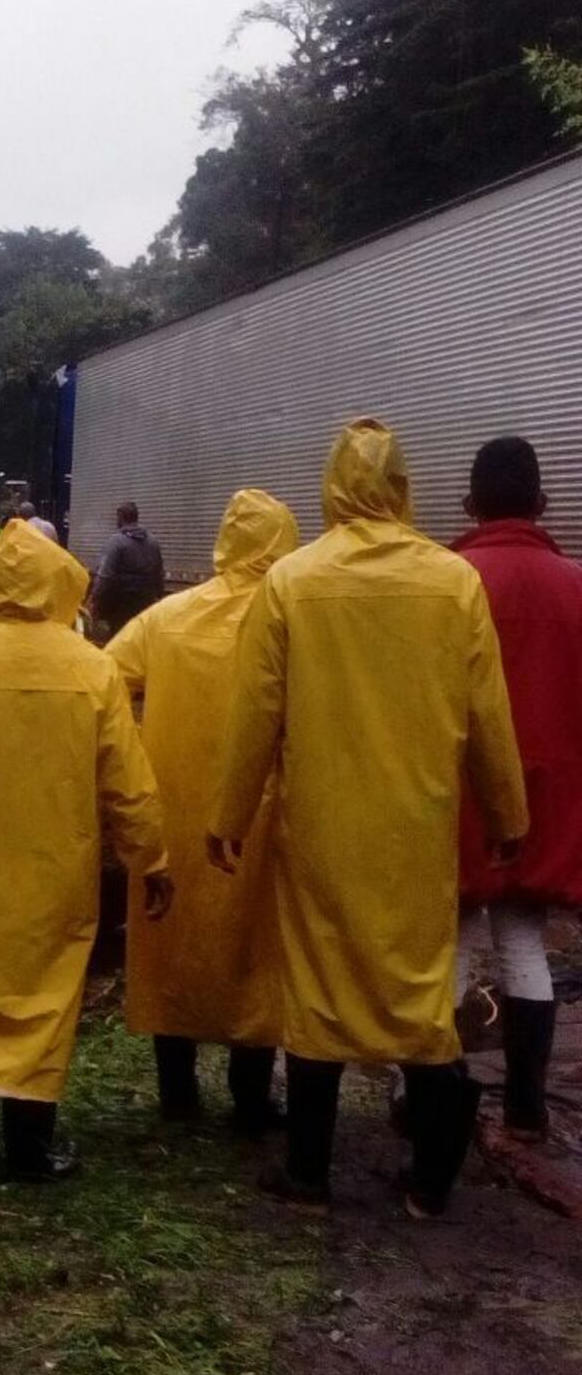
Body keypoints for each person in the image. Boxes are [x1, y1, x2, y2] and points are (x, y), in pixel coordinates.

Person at [208, 419, 528, 1220]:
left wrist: (229, 814)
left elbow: (256, 714)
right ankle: (429, 1181)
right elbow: (488, 714)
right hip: (418, 825)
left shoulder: (291, 581)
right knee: (418, 991)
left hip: (321, 819)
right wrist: (507, 813)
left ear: (332, 487)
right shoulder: (454, 583)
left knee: (318, 987)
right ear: (403, 487)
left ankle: (309, 1174)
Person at [0, 519, 172, 1184]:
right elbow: (128, 782)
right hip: (56, 871)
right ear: (59, 580)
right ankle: (29, 1151)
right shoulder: (94, 671)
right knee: (44, 1002)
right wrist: (150, 859)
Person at [109, 489, 299, 1135]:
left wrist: (133, 760)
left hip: (174, 804)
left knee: (173, 945)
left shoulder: (166, 619)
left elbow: (103, 682)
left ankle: (178, 1094)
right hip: (259, 812)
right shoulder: (291, 620)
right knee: (256, 949)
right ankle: (251, 1102)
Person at [453, 436, 582, 1140]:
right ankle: (527, 1108)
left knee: (456, 939)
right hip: (549, 801)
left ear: (470, 502)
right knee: (524, 942)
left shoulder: (452, 578)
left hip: (466, 791)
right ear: (541, 502)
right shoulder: (577, 586)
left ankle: (438, 1099)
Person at [93, 502, 165, 635]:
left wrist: (94, 599)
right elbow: (159, 573)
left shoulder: (116, 541)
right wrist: (159, 596)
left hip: (121, 604)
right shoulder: (153, 542)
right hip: (145, 601)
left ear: (120, 517)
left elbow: (105, 576)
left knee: (119, 638)